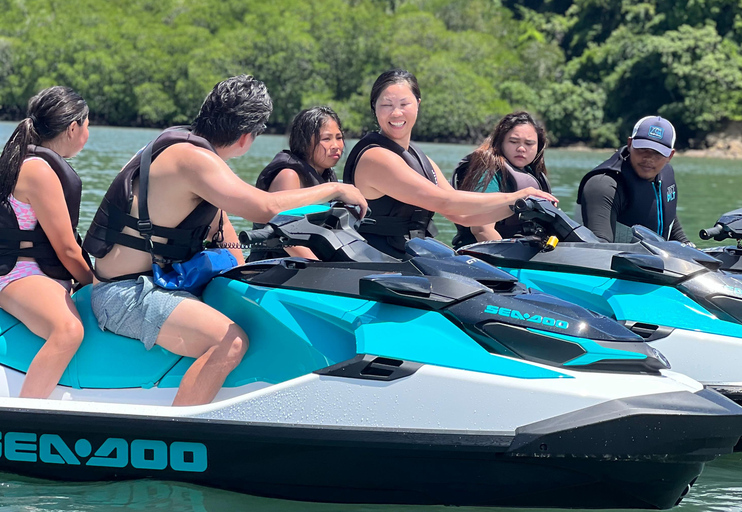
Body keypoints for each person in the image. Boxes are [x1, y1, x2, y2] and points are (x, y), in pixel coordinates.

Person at [83, 75, 367, 406]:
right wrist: (337, 188)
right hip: (125, 294)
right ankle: (180, 434)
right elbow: (263, 207)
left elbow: (224, 225)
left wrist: (247, 276)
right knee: (228, 342)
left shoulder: (187, 147)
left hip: (150, 284)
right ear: (247, 137)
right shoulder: (192, 159)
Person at [343, 69, 557, 259]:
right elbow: (445, 201)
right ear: (374, 108)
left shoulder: (420, 158)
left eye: (404, 104)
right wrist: (514, 196)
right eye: (387, 105)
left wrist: (518, 208)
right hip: (377, 261)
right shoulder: (375, 157)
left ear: (418, 104)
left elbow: (462, 216)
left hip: (411, 254)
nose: (396, 113)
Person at [0, 86, 93, 399]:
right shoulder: (38, 170)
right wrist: (95, 282)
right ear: (72, 128)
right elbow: (67, 250)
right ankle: (25, 418)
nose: (88, 132)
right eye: (87, 124)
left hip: (31, 273)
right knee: (69, 330)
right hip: (19, 276)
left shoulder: (26, 160)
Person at [249, 106, 344, 261]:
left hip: (307, 266)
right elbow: (285, 236)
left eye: (339, 137)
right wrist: (319, 268)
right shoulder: (289, 175)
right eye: (326, 139)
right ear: (304, 143)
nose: (336, 145)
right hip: (272, 268)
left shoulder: (327, 176)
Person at [577, 115, 690, 243]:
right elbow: (597, 249)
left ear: (670, 155)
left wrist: (688, 246)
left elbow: (668, 217)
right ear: (630, 144)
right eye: (642, 149)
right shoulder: (603, 186)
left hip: (656, 259)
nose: (648, 158)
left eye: (658, 152)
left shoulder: (665, 175)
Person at [451, 111, 551, 248]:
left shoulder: (531, 173)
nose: (521, 148)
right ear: (501, 142)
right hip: (488, 257)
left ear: (538, 147)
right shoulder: (488, 170)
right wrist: (510, 263)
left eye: (529, 143)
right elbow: (481, 229)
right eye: (513, 142)